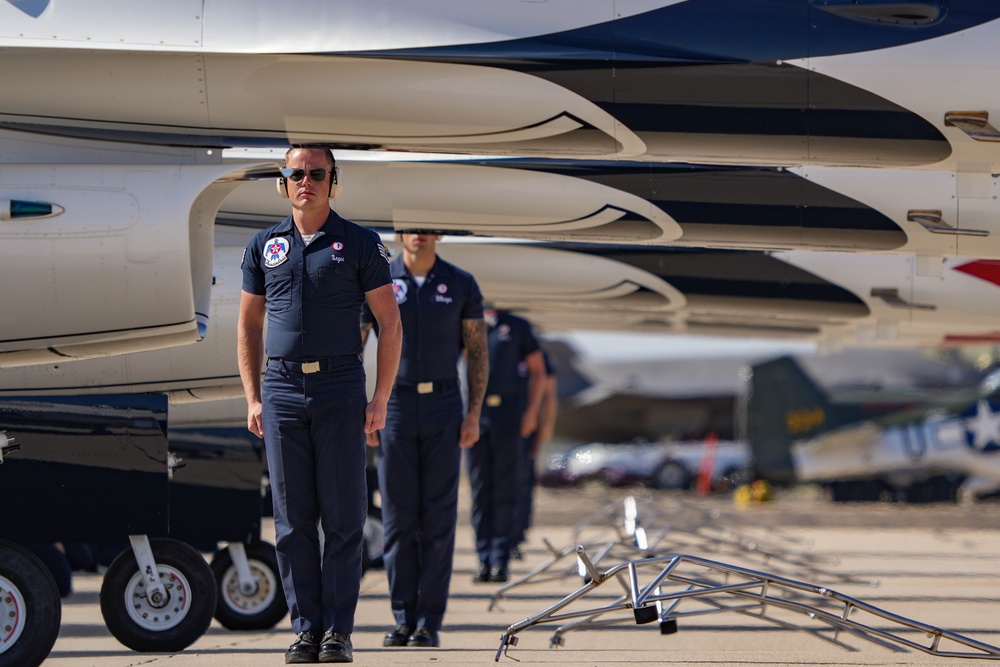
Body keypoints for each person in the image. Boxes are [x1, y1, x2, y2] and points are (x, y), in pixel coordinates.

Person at [238, 146, 401, 665]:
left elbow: (390, 323)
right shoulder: (264, 246)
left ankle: (338, 632)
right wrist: (252, 397)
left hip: (339, 388)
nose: (305, 181)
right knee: (291, 522)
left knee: (343, 517)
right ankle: (306, 631)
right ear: (282, 183)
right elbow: (248, 325)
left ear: (333, 180)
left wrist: (380, 397)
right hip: (281, 390)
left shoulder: (359, 243)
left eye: (316, 173)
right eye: (295, 173)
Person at [361, 230, 488, 649]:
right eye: (411, 225)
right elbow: (355, 344)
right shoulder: (379, 278)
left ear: (438, 232)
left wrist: (473, 414)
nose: (419, 233)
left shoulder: (461, 282)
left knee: (437, 520)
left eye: (427, 225)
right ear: (399, 232)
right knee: (398, 519)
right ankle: (402, 618)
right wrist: (366, 409)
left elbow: (477, 351)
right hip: (394, 406)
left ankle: (429, 621)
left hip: (444, 408)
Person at [467, 307, 545, 583]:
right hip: (476, 417)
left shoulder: (515, 326)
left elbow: (539, 371)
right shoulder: (467, 323)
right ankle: (483, 559)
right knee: (479, 491)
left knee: (505, 489)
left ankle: (500, 559)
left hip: (509, 416)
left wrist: (532, 412)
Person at [511, 349, 558, 559]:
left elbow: (549, 395)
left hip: (528, 429)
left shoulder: (540, 356)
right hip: (502, 426)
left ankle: (517, 537)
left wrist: (546, 428)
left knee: (522, 485)